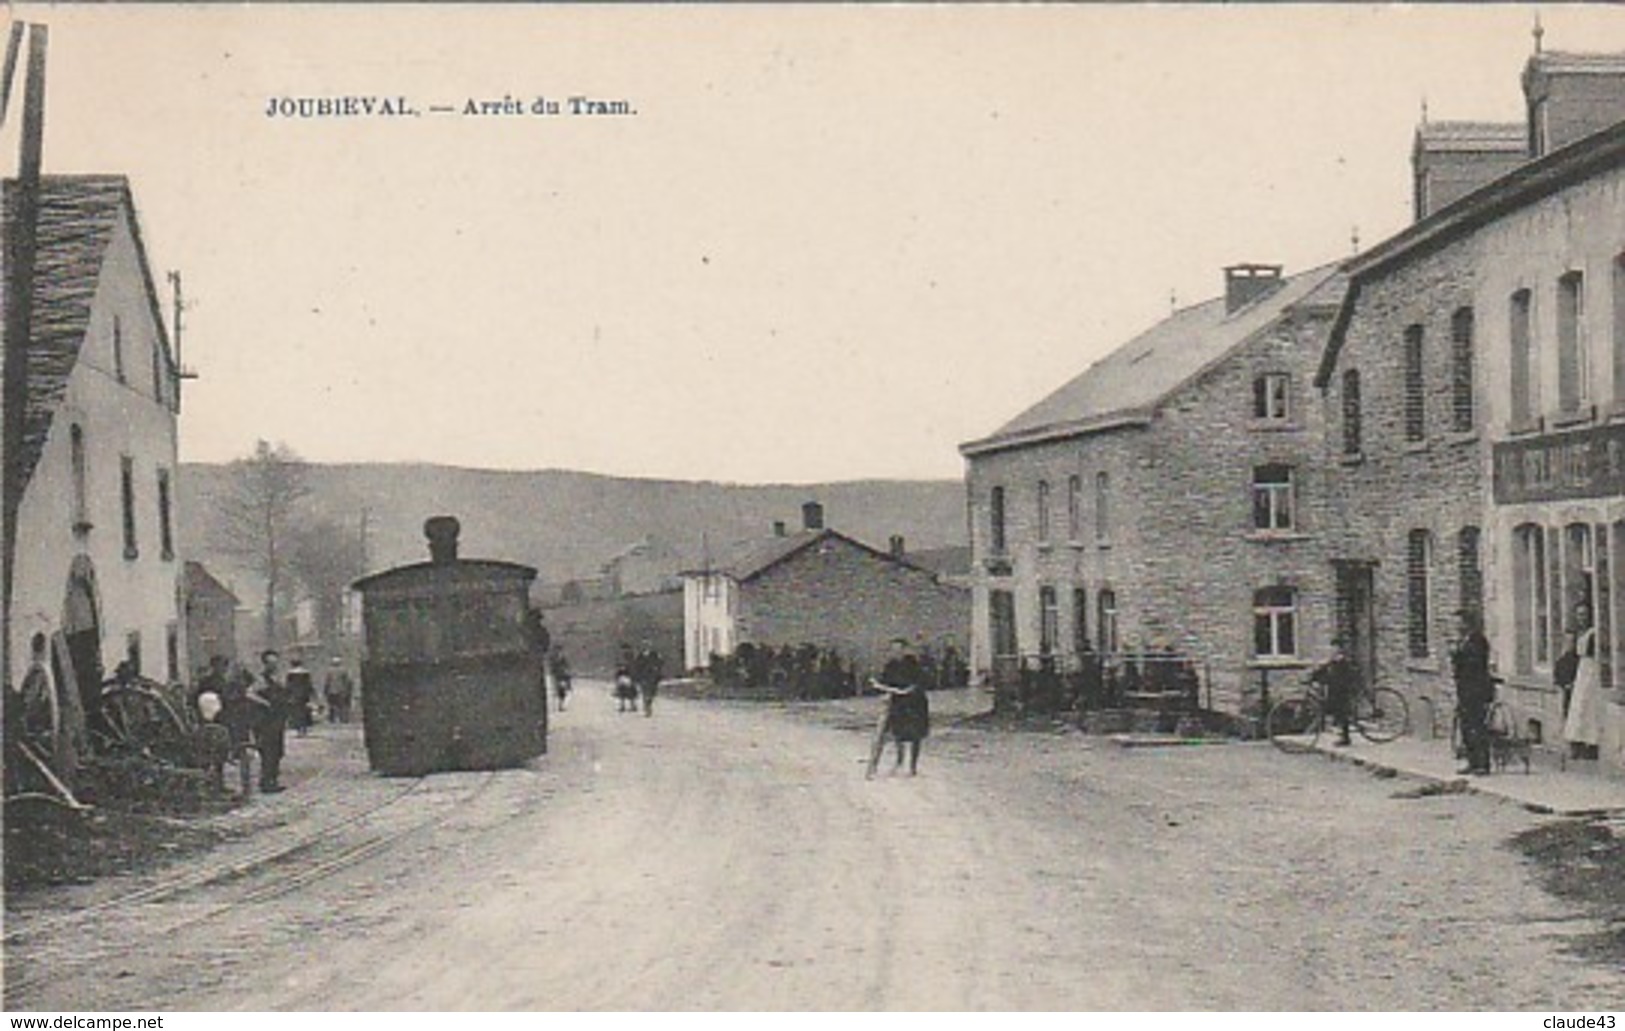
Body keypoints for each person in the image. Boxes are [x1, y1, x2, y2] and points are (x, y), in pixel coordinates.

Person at [867, 638, 931, 778]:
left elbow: (919, 681)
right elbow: (885, 682)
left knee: (915, 736)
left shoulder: (913, 663)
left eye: (899, 649)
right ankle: (899, 761)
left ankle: (913, 766)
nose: (896, 652)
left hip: (915, 703)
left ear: (905, 649)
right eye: (893, 649)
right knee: (898, 733)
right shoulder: (891, 665)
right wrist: (880, 686)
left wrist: (909, 689)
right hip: (898, 703)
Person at [1451, 608, 1494, 776]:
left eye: (1460, 622)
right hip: (1464, 688)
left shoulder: (1478, 640)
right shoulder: (1463, 640)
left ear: (1467, 623)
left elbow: (1476, 663)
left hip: (1476, 689)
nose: (1457, 626)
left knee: (1478, 725)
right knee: (1466, 725)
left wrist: (1459, 655)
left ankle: (1483, 764)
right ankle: (1472, 761)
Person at [1563, 601, 1604, 762]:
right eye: (1579, 615)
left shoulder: (1594, 633)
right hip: (1581, 670)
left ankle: (1591, 743)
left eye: (1585, 615)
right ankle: (1577, 742)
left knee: (1589, 706)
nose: (1582, 618)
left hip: (1591, 670)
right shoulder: (1579, 633)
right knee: (1578, 706)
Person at [249, 650, 291, 793]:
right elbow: (250, 693)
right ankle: (267, 781)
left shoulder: (278, 678)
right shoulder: (261, 679)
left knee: (277, 751)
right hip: (266, 720)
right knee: (268, 750)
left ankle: (272, 778)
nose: (274, 665)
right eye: (270, 663)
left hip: (278, 719)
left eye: (275, 662)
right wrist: (265, 703)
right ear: (265, 663)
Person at [1309, 638, 1357, 747]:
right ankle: (1341, 731)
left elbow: (1338, 672)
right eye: (1332, 647)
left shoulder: (1342, 658)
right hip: (1336, 687)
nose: (1333, 649)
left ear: (1340, 648)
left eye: (1335, 647)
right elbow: (1325, 667)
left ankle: (1345, 737)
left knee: (1341, 710)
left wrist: (1322, 677)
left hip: (1343, 687)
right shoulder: (1334, 658)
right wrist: (1314, 675)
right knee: (1335, 708)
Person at [286, 652, 315, 736]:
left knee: (297, 712)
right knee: (304, 711)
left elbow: (289, 685)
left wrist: (287, 694)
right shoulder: (305, 673)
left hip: (295, 695)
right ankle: (304, 728)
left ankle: (299, 729)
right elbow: (309, 684)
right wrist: (311, 693)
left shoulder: (290, 674)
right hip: (304, 694)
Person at [323, 657, 354, 724]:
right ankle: (343, 719)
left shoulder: (329, 671)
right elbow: (348, 681)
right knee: (341, 706)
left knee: (332, 706)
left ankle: (332, 719)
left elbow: (327, 682)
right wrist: (348, 690)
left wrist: (325, 690)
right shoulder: (344, 670)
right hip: (341, 691)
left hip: (331, 691)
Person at [635, 643, 663, 717]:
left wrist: (656, 669)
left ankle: (649, 703)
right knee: (645, 691)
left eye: (648, 646)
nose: (647, 647)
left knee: (652, 692)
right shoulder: (640, 656)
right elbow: (637, 666)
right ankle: (647, 707)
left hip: (653, 676)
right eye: (645, 646)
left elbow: (660, 663)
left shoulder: (655, 655)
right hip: (644, 677)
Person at [552, 648, 573, 712]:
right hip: (559, 676)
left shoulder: (563, 659)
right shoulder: (555, 659)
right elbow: (553, 668)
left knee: (563, 691)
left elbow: (567, 667)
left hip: (563, 676)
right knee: (560, 691)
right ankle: (560, 705)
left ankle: (561, 705)